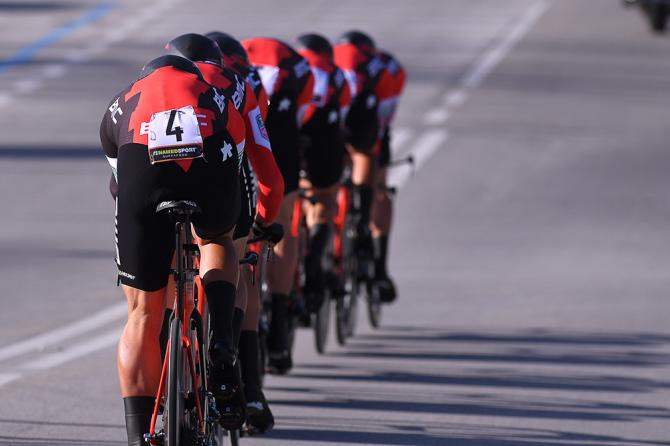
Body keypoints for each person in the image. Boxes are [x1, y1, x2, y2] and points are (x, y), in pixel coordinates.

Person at [100, 54, 244, 446]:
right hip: (209, 166)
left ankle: (137, 436)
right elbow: (239, 159)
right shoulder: (214, 94)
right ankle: (222, 340)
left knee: (143, 313)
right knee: (218, 240)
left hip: (140, 168)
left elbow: (119, 185)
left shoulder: (123, 99)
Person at [167, 32, 283, 433]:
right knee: (236, 261)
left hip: (157, 180)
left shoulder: (155, 83)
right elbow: (259, 154)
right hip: (223, 177)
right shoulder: (241, 82)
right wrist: (264, 224)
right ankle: (247, 384)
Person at [242, 37, 314, 374]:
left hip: (223, 126)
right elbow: (305, 114)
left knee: (229, 242)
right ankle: (281, 323)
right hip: (278, 125)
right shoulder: (297, 66)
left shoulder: (215, 69)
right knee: (283, 223)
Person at [294, 33, 351, 310]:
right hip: (325, 135)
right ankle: (315, 255)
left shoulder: (291, 67)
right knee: (326, 197)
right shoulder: (336, 73)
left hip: (291, 132)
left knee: (290, 197)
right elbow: (344, 112)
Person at [333, 31, 391, 268]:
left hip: (327, 116)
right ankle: (366, 229)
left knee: (317, 187)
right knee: (378, 182)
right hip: (365, 113)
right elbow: (384, 120)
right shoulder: (387, 67)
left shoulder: (330, 57)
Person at [370, 49, 406, 303]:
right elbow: (384, 121)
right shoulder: (391, 69)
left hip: (332, 130)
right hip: (370, 132)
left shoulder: (334, 64)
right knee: (379, 187)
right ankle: (380, 267)